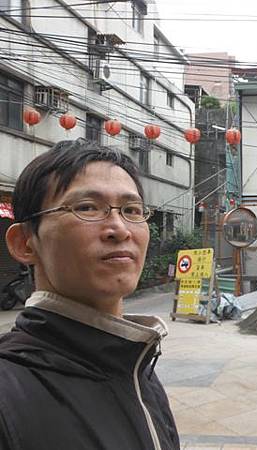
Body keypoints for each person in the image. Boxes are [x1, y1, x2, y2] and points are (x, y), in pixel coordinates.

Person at [0, 139, 179, 449]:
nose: (120, 229)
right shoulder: (9, 389)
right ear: (24, 242)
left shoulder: (138, 367)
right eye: (87, 208)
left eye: (131, 210)